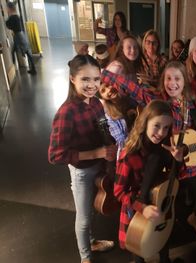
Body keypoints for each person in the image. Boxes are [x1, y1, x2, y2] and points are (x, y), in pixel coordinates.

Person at [102, 60, 196, 238]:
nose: (172, 83)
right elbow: (131, 87)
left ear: (185, 80)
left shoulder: (194, 103)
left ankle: (194, 218)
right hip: (165, 164)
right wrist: (104, 74)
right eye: (168, 78)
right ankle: (157, 235)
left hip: (189, 162)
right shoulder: (158, 101)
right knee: (166, 204)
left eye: (177, 78)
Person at [48, 55, 116, 263]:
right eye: (85, 79)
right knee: (84, 217)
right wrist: (96, 153)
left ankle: (91, 241)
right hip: (82, 172)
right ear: (72, 79)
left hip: (100, 166)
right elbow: (55, 155)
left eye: (96, 79)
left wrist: (112, 142)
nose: (92, 85)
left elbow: (104, 127)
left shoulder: (96, 103)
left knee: (94, 208)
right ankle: (85, 257)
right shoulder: (66, 113)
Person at [114, 99, 184, 263]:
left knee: (163, 240)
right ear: (145, 123)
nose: (161, 133)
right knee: (140, 249)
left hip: (158, 203)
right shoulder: (129, 155)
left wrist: (177, 161)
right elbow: (118, 192)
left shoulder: (163, 147)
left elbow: (174, 177)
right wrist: (142, 207)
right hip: (137, 208)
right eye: (157, 125)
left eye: (166, 128)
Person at [5, 1, 36, 74]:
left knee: (20, 51)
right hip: (19, 35)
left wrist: (8, 17)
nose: (7, 9)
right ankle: (32, 69)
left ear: (10, 8)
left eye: (7, 8)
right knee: (23, 51)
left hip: (18, 36)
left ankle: (32, 69)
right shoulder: (16, 16)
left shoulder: (13, 17)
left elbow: (8, 25)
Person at [98, 84, 128, 160]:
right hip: (127, 153)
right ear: (102, 98)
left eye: (108, 85)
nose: (109, 90)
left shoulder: (128, 98)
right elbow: (121, 139)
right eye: (103, 91)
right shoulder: (108, 115)